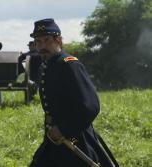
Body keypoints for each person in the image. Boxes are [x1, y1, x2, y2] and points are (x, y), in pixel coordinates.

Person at [29, 18, 119, 167]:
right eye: (38, 42)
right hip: (55, 138)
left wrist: (64, 129)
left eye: (47, 40)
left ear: (58, 40)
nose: (42, 46)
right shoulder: (46, 66)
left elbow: (90, 106)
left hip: (75, 138)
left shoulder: (69, 64)